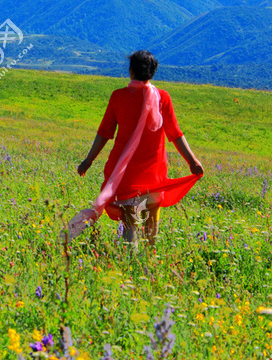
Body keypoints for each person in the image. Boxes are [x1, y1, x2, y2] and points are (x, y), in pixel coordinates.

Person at [70, 50, 204, 247]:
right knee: (152, 223)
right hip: (154, 173)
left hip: (125, 175)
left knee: (130, 225)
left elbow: (104, 133)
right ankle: (150, 264)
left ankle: (128, 265)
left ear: (131, 71)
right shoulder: (162, 98)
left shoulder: (118, 97)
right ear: (152, 72)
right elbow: (175, 134)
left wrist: (88, 160)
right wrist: (192, 161)